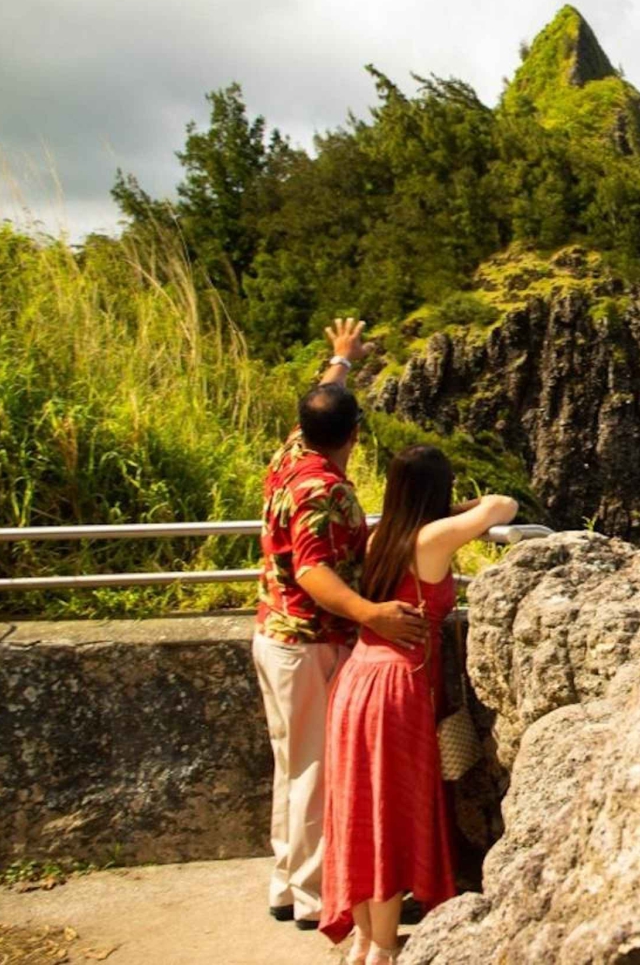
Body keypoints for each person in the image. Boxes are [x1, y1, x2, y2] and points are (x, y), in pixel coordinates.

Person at [252, 318, 429, 931]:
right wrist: (371, 613)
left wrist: (341, 362)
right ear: (354, 434)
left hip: (275, 634)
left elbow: (322, 404)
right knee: (317, 771)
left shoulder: (293, 450)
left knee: (292, 764)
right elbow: (313, 573)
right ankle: (316, 897)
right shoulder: (322, 490)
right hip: (309, 641)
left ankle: (287, 884)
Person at [320, 445, 518, 963]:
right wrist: (464, 508)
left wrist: (441, 510)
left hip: (358, 678)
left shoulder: (382, 534)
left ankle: (364, 941)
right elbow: (503, 507)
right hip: (397, 688)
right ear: (439, 490)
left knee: (360, 810)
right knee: (389, 815)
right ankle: (385, 949)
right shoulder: (432, 539)